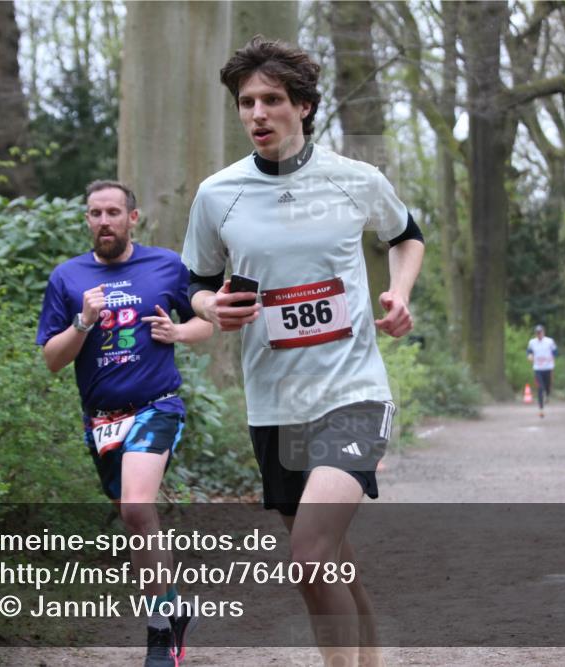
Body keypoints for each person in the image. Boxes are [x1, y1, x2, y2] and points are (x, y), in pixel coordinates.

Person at [181, 36, 425, 667]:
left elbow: (406, 235)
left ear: (306, 107)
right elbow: (196, 282)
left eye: (273, 100)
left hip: (352, 395)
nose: (257, 114)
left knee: (311, 556)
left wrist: (397, 293)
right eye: (246, 102)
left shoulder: (354, 179)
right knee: (331, 564)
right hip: (274, 404)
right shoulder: (219, 194)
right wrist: (211, 308)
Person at [36, 180, 213, 667]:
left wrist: (179, 330)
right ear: (88, 220)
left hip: (156, 405)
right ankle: (172, 612)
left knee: (137, 508)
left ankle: (159, 634)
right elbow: (53, 359)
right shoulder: (67, 278)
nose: (104, 221)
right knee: (138, 524)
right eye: (95, 213)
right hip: (102, 419)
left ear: (133, 218)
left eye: (114, 212)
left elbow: (207, 320)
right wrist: (83, 322)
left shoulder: (165, 265)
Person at [526, 325, 558, 417]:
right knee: (540, 387)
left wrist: (552, 357)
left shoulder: (549, 341)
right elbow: (529, 352)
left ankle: (547, 395)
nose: (539, 334)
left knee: (547, 386)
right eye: (537, 332)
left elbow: (555, 351)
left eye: (540, 332)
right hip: (538, 368)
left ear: (543, 332)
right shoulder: (532, 342)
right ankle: (541, 409)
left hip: (548, 367)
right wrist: (529, 356)